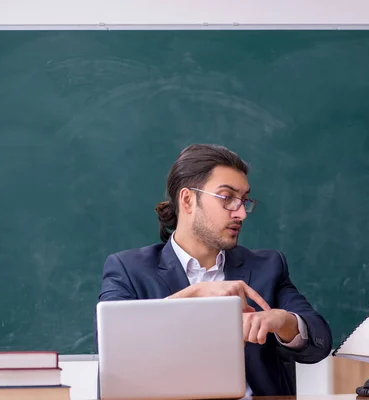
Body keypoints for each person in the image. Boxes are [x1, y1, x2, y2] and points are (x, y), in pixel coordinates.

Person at [97, 143, 332, 396]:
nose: (241, 213)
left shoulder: (267, 266)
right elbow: (115, 349)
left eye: (243, 200)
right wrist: (194, 294)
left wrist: (284, 321)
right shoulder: (128, 269)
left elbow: (319, 342)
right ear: (188, 200)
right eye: (227, 198)